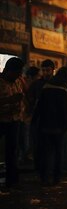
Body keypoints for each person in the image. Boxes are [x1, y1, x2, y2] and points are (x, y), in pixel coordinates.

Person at [32, 67, 67, 186]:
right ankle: (56, 177)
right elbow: (65, 110)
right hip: (58, 126)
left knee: (46, 152)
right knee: (58, 152)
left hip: (45, 125)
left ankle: (44, 176)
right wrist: (65, 125)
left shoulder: (46, 87)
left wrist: (35, 121)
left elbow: (39, 106)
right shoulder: (64, 89)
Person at [0, 57, 25, 188]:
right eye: (17, 72)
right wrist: (10, 100)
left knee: (12, 150)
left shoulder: (17, 82)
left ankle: (12, 179)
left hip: (15, 120)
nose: (19, 75)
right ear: (9, 71)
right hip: (2, 120)